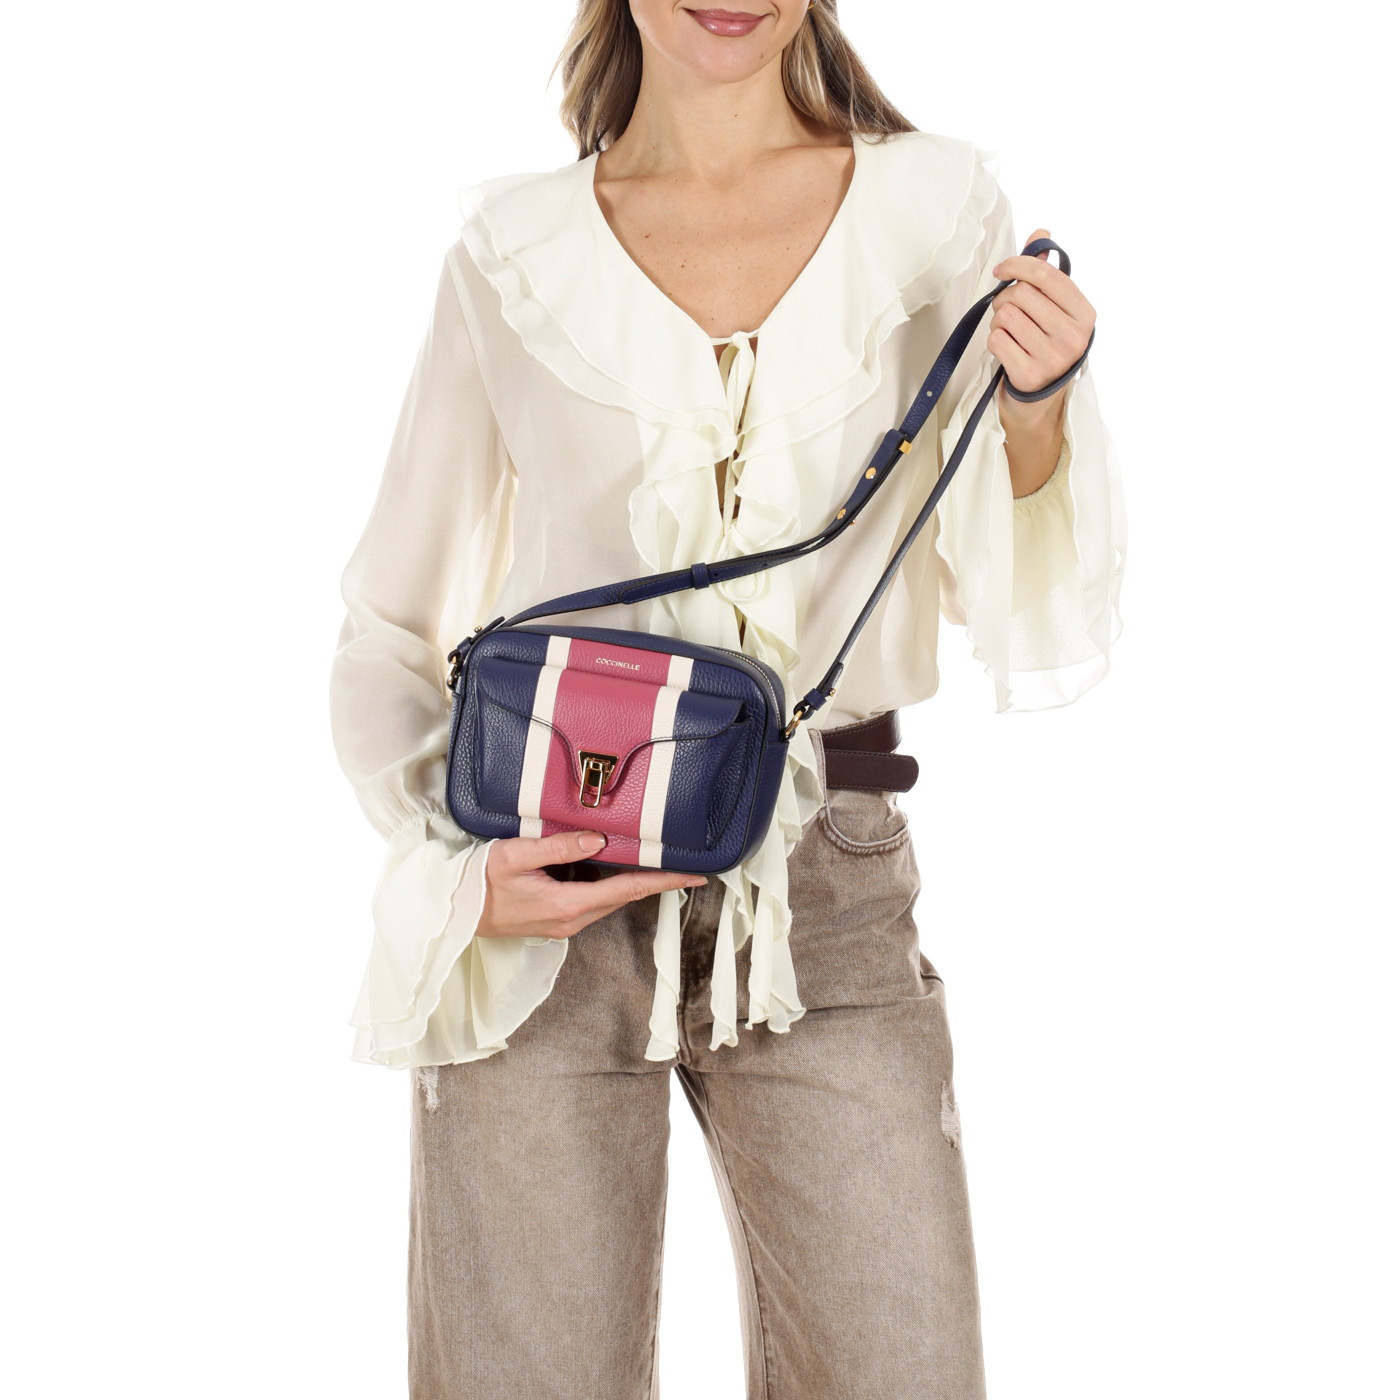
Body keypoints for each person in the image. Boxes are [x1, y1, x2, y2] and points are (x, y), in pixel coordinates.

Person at [330, 2, 1125, 1395]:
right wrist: (462, 883)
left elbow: (999, 590)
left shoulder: (935, 215)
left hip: (830, 893)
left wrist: (1040, 407)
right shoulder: (513, 257)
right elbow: (387, 627)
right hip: (550, 903)